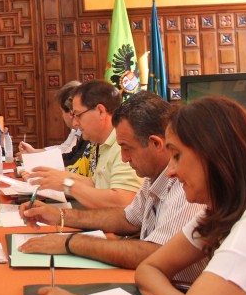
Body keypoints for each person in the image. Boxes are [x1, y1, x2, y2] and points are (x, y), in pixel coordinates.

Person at [36, 96, 246, 295]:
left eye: (178, 156)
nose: (171, 170)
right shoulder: (219, 212)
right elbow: (149, 267)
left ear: (214, 157)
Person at [18, 91, 206, 283]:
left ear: (156, 144)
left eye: (127, 148)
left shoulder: (188, 184)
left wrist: (70, 242)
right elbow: (128, 218)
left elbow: (157, 254)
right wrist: (60, 216)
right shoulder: (153, 174)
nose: (124, 157)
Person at [24, 80, 142, 208]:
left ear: (101, 111)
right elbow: (95, 184)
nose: (75, 123)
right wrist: (53, 177)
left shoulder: (123, 145)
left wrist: (66, 183)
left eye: (78, 115)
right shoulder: (104, 143)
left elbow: (123, 202)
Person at [19, 80, 88, 166]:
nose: (74, 123)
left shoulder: (89, 134)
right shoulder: (80, 132)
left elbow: (73, 163)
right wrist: (34, 154)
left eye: (77, 114)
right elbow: (69, 154)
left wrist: (33, 159)